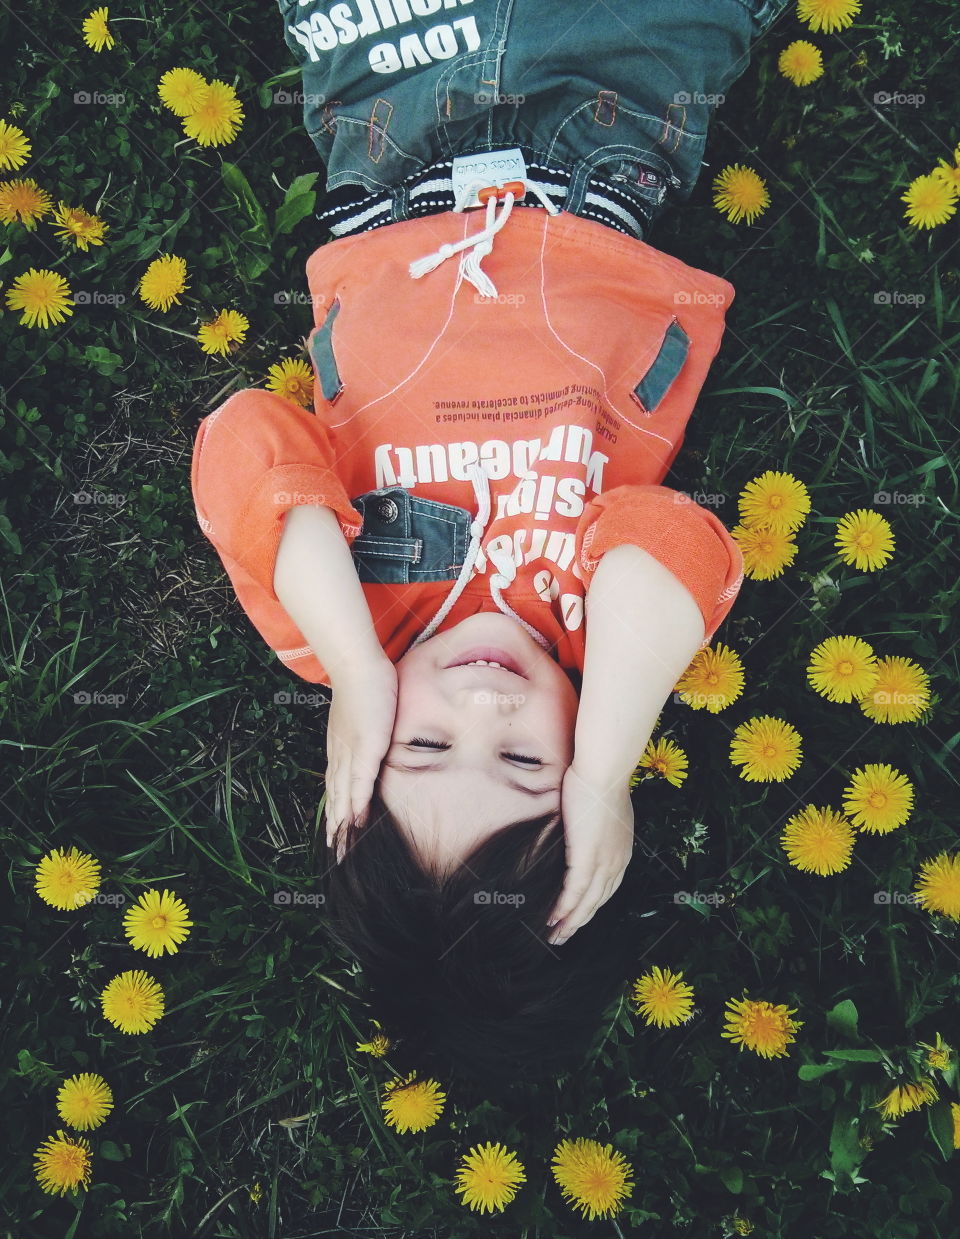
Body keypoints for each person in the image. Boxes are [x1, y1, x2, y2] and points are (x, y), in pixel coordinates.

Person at [190, 0, 789, 1087]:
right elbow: (672, 541)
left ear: (358, 762)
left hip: (390, 105)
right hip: (611, 107)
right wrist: (606, 765)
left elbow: (244, 441)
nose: (482, 705)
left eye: (421, 747)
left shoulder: (342, 621)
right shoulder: (600, 623)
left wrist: (360, 671)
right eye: (526, 761)